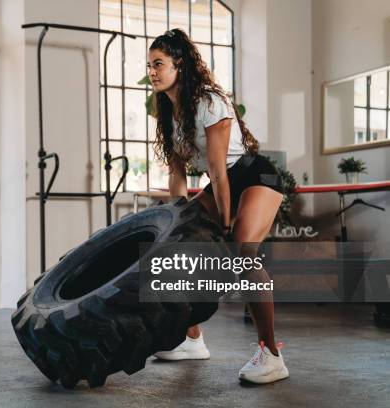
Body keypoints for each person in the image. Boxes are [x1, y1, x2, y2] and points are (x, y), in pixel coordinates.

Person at [146, 28, 289, 384]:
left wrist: (225, 223)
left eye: (159, 64)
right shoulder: (169, 110)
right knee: (179, 247)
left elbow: (216, 169)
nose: (152, 71)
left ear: (180, 64)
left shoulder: (209, 100)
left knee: (242, 253)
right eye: (149, 65)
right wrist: (175, 219)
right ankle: (192, 339)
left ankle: (272, 354)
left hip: (255, 176)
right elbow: (177, 175)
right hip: (221, 181)